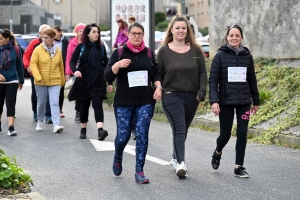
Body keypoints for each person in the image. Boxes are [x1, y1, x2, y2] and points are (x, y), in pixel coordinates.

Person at [104, 22, 162, 184]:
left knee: (142, 134)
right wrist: (117, 65)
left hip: (145, 100)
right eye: (134, 33)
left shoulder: (149, 53)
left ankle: (139, 171)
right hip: (124, 101)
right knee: (123, 137)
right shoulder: (119, 52)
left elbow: (155, 74)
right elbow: (108, 76)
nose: (137, 36)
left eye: (140, 34)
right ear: (128, 34)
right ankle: (118, 156)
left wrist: (158, 87)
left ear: (143, 36)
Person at [156, 15, 207, 178]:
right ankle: (181, 163)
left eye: (184, 28)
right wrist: (158, 88)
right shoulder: (163, 51)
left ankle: (174, 156)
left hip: (192, 96)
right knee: (179, 128)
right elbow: (157, 74)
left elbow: (202, 73)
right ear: (171, 30)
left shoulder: (196, 50)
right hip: (171, 95)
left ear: (188, 30)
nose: (181, 30)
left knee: (183, 129)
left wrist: (202, 91)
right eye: (177, 28)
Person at [209, 25, 259, 178]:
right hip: (225, 101)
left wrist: (255, 100)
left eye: (237, 35)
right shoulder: (220, 56)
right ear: (227, 37)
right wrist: (214, 101)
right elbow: (213, 80)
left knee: (242, 133)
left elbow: (252, 80)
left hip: (244, 101)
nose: (234, 38)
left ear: (241, 38)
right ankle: (218, 152)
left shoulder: (247, 56)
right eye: (232, 35)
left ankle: (239, 167)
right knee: (225, 135)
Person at [69, 23, 113, 140]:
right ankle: (83, 128)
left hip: (99, 80)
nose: (96, 34)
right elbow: (72, 62)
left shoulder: (101, 47)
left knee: (98, 104)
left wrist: (110, 82)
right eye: (94, 32)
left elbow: (106, 65)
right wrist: (75, 71)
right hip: (83, 81)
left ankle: (100, 130)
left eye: (98, 32)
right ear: (87, 34)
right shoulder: (81, 47)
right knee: (84, 106)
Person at [30, 28, 65, 133]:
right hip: (41, 81)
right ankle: (40, 121)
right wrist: (38, 77)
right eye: (43, 37)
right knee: (41, 102)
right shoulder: (38, 49)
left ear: (52, 38)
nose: (44, 39)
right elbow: (33, 64)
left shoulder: (58, 50)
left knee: (54, 102)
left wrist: (62, 80)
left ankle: (56, 125)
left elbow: (60, 66)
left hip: (55, 80)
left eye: (46, 37)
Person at [23, 24, 52, 123]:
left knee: (49, 95)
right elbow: (26, 56)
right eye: (44, 33)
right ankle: (36, 113)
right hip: (35, 74)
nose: (46, 35)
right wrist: (28, 66)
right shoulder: (34, 43)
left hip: (49, 74)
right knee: (36, 95)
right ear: (40, 34)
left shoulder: (53, 44)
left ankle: (48, 115)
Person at [0, 28, 24, 136]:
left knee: (10, 103)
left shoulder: (16, 48)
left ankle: (11, 128)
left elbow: (19, 65)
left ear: (7, 38)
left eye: (0, 39)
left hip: (12, 79)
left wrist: (21, 80)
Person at [65, 23, 86, 122]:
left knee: (86, 93)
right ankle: (78, 111)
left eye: (83, 31)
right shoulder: (72, 43)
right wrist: (68, 72)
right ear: (76, 33)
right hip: (76, 71)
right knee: (79, 92)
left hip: (86, 71)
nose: (82, 33)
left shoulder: (88, 43)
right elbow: (69, 58)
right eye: (80, 31)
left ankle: (83, 112)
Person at [52, 25, 69, 118]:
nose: (53, 34)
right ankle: (51, 109)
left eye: (55, 32)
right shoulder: (50, 41)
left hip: (61, 68)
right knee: (51, 89)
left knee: (61, 90)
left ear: (60, 32)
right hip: (52, 68)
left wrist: (67, 72)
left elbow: (68, 57)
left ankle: (59, 109)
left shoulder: (66, 41)